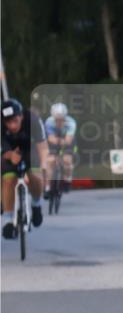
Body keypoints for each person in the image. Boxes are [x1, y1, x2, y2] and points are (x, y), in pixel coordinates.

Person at [2, 99, 49, 238]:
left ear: (21, 115)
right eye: (8, 122)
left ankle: (36, 204)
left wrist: (43, 167)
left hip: (30, 149)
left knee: (35, 175)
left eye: (15, 120)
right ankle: (8, 219)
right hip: (7, 151)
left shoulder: (33, 120)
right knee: (8, 180)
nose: (12, 125)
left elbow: (43, 148)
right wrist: (10, 155)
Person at [44, 102, 77, 196]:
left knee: (67, 160)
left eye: (61, 119)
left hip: (68, 141)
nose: (59, 121)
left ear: (65, 117)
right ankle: (47, 187)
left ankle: (67, 179)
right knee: (50, 161)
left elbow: (68, 140)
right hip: (54, 141)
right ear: (53, 117)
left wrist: (60, 142)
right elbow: (50, 138)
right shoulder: (49, 121)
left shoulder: (71, 122)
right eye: (56, 119)